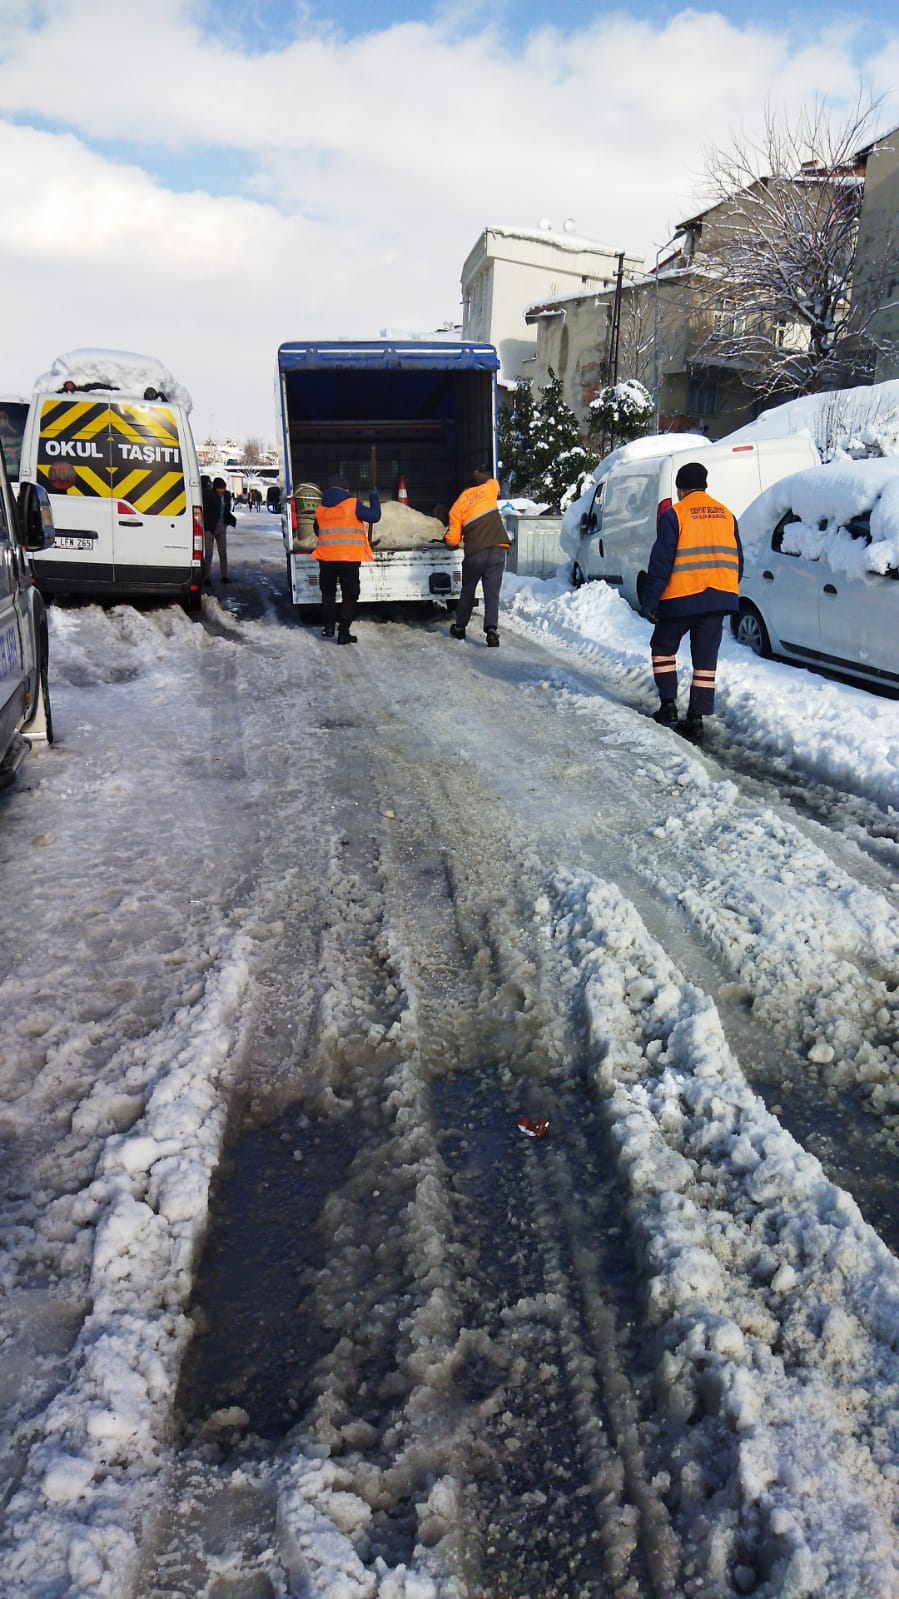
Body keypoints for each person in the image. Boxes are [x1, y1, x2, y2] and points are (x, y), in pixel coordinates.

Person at [642, 460, 743, 744]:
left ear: (681, 489)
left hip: (681, 597)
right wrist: (728, 589)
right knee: (705, 660)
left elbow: (661, 560)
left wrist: (652, 599)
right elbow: (738, 560)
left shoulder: (676, 514)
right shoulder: (726, 515)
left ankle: (668, 706)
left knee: (662, 647)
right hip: (718, 598)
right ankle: (696, 719)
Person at [443, 467, 510, 647]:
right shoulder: (487, 490)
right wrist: (477, 474)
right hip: (498, 549)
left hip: (475, 554)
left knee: (467, 591)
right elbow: (493, 482)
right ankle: (491, 630)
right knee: (492, 593)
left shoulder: (457, 506)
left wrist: (449, 542)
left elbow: (453, 540)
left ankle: (460, 628)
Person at [312, 474, 381, 643]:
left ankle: (328, 628)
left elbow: (317, 529)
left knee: (328, 594)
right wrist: (374, 497)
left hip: (326, 559)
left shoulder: (321, 508)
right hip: (348, 559)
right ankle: (343, 633)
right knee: (349, 596)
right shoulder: (352, 504)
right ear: (346, 490)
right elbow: (374, 516)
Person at [203, 476, 236, 585]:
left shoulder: (226, 495)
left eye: (223, 488)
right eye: (220, 488)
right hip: (210, 527)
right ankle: (207, 577)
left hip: (222, 526)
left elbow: (227, 509)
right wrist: (207, 524)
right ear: (215, 488)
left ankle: (224, 576)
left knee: (223, 553)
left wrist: (229, 520)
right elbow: (206, 511)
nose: (222, 490)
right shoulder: (209, 495)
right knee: (208, 554)